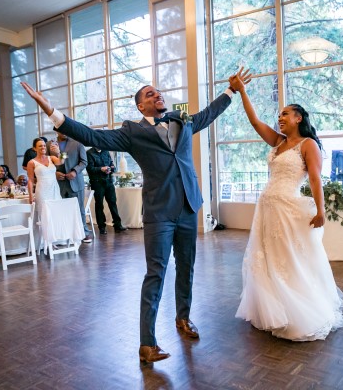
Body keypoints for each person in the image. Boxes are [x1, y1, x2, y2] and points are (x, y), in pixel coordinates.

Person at [21, 75, 245, 363]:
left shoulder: (182, 120)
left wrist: (230, 91)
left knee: (187, 266)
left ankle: (183, 317)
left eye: (158, 92)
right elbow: (92, 135)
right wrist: (52, 111)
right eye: (150, 94)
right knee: (156, 273)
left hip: (189, 206)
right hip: (158, 212)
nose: (157, 95)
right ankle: (147, 344)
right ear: (141, 106)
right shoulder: (132, 132)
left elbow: (209, 114)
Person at [230, 69, 343, 341]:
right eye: (279, 114)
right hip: (267, 208)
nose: (280, 118)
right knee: (269, 256)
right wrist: (242, 91)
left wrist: (321, 211)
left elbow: (315, 180)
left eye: (285, 113)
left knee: (290, 258)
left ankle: (298, 311)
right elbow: (255, 121)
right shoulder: (278, 142)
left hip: (288, 208)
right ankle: (273, 309)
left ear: (298, 118)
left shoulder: (308, 145)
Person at [47, 133, 92, 243]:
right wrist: (55, 173)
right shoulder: (49, 144)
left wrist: (75, 171)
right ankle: (66, 234)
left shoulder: (77, 143)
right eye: (61, 130)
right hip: (59, 182)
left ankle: (84, 232)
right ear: (56, 130)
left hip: (75, 181)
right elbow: (47, 162)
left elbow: (84, 162)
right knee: (62, 210)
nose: (64, 132)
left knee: (79, 209)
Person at [86, 148, 126, 234]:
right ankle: (102, 227)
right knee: (99, 205)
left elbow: (112, 165)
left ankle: (118, 225)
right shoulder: (89, 153)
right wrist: (101, 169)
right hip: (97, 183)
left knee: (113, 203)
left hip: (109, 181)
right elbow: (89, 168)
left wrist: (111, 169)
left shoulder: (106, 151)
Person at [26, 138, 63, 219]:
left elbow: (62, 161)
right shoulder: (31, 162)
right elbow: (30, 180)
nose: (43, 147)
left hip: (54, 190)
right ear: (34, 148)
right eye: (40, 146)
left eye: (44, 146)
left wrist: (59, 152)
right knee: (45, 216)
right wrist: (31, 195)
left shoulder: (52, 158)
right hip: (42, 191)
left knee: (57, 213)